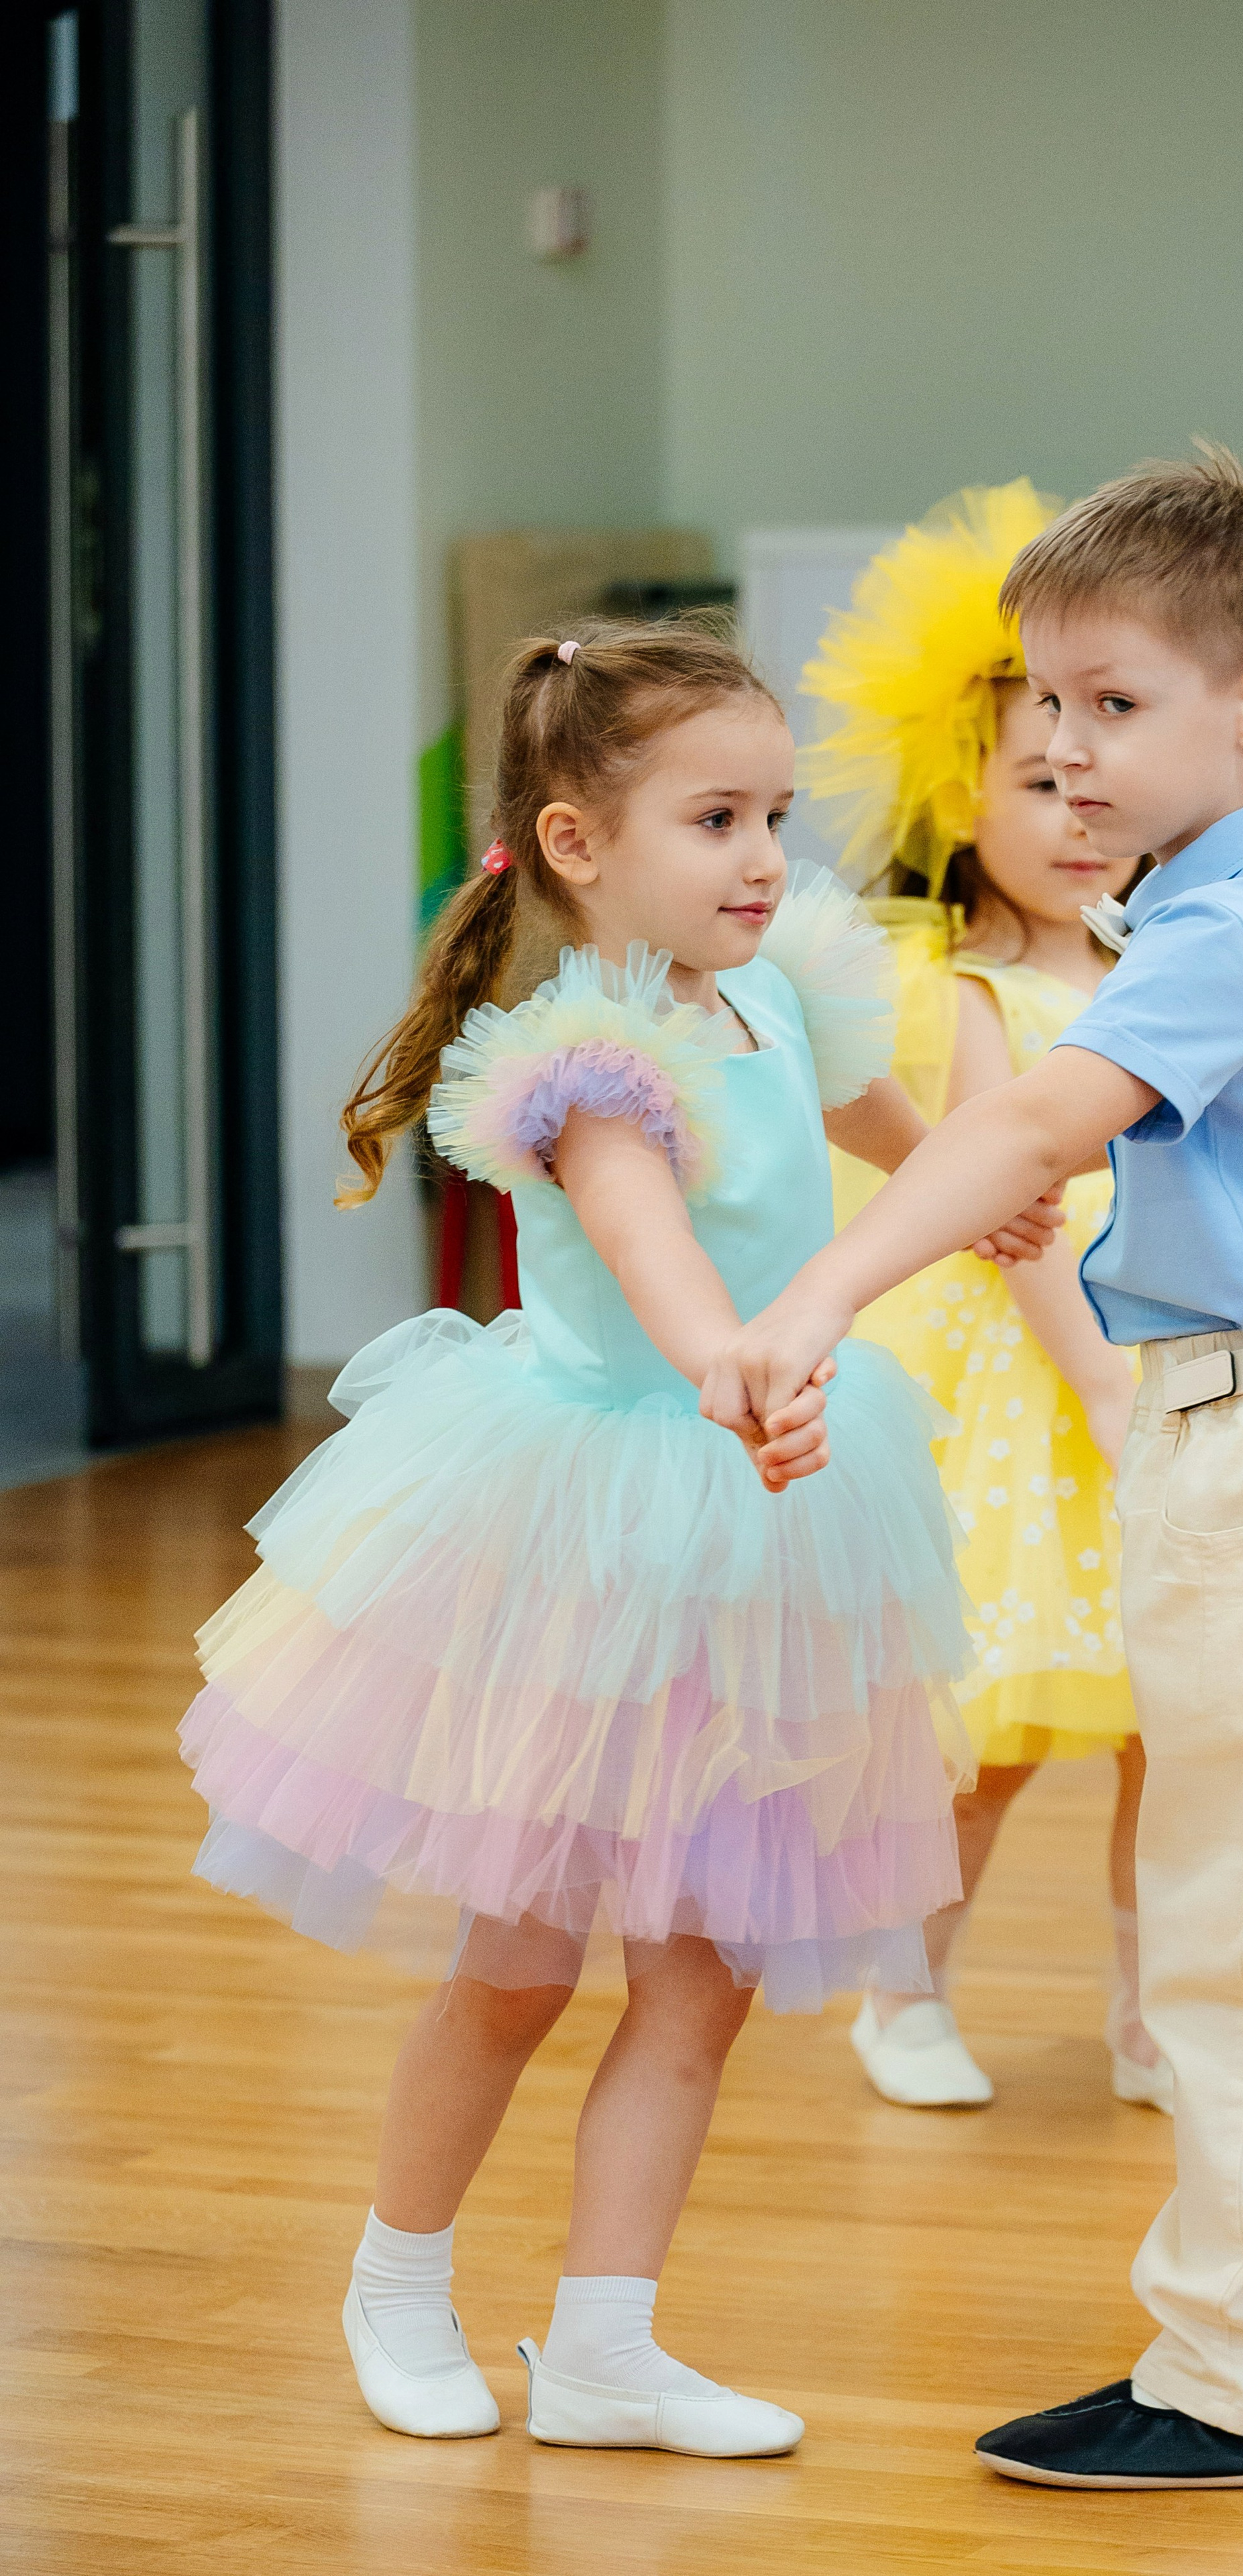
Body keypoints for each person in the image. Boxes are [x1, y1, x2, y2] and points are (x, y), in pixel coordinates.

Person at [177, 621, 1055, 2461]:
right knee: (521, 1958)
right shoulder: (581, 1064)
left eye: (775, 817)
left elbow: (920, 1147)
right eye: (714, 819)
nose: (761, 859)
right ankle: (397, 2282)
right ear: (579, 844)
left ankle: (602, 2347)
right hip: (595, 1526)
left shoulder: (784, 992)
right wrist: (747, 1359)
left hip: (769, 1526)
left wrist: (1005, 1198)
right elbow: (665, 1271)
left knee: (705, 1970)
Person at [704, 449, 1243, 2493]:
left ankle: (1224, 2385)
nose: (1063, 744)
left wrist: (818, 1297)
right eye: (1046, 705)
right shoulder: (1204, 909)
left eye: (1112, 704)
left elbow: (1032, 1125)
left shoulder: (1235, 933)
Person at [800, 482, 1166, 2112]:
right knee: (997, 1724)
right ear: (965, 800)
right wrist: (1093, 1380)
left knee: (1174, 1730)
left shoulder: (1165, 963)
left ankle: (1153, 2014)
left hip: (1160, 1352)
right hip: (1027, 1382)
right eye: (1034, 779)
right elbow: (1007, 1213)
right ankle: (903, 1990)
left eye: (1095, 773)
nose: (1075, 811)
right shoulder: (961, 989)